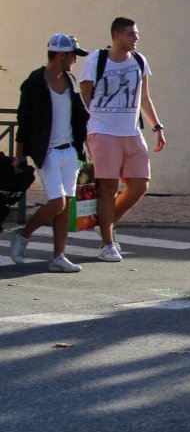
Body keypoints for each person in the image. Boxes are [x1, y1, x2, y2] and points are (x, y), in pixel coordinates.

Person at [78, 17, 165, 263]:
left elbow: (144, 97)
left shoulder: (139, 61)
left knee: (140, 185)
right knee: (107, 186)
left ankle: (106, 221)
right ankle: (108, 243)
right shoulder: (97, 60)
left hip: (131, 131)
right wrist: (86, 127)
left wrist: (156, 127)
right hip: (103, 130)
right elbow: (84, 93)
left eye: (136, 34)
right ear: (117, 35)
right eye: (131, 34)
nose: (136, 38)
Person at [10, 34, 92, 272]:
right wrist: (19, 155)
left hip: (70, 152)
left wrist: (83, 148)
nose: (75, 60)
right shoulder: (34, 83)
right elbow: (24, 121)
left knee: (65, 204)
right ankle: (23, 234)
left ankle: (58, 256)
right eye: (73, 55)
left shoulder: (71, 81)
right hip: (47, 152)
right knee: (57, 203)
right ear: (60, 55)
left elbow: (79, 117)